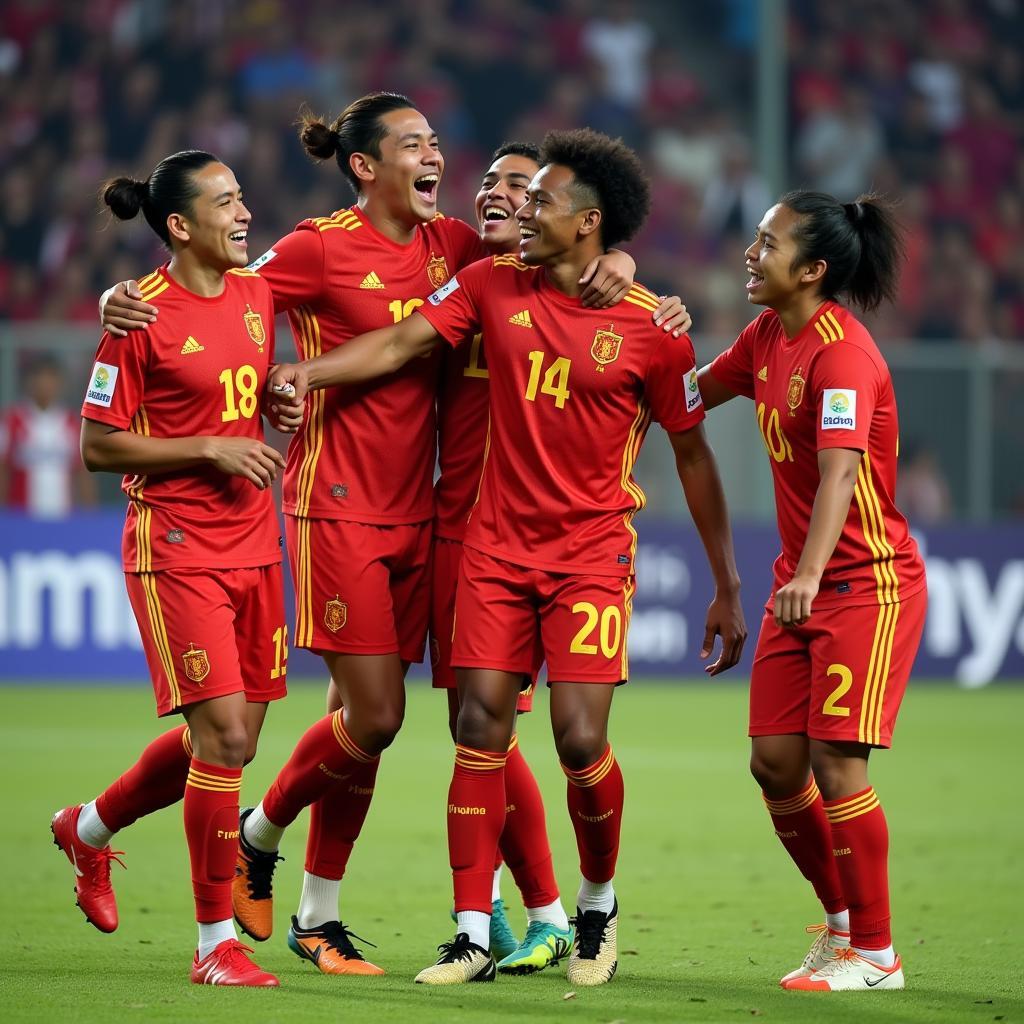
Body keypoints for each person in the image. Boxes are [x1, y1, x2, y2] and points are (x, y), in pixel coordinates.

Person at [97, 93, 689, 976]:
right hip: (338, 503)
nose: (498, 197)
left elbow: (574, 257)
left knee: (466, 726)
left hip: (455, 521)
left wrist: (628, 264)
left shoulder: (465, 252)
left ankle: (388, 907)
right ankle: (282, 851)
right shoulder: (318, 245)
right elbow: (218, 279)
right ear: (368, 166)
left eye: (522, 192)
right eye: (421, 147)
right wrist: (126, 291)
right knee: (376, 717)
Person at [267, 127, 747, 987]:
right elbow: (401, 341)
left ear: (588, 222)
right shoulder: (479, 275)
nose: (515, 204)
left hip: (587, 552)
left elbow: (693, 450)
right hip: (471, 538)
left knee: (572, 739)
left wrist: (728, 581)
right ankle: (467, 928)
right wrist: (309, 373)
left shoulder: (645, 323)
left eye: (535, 195)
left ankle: (586, 907)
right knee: (465, 727)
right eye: (500, 189)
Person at [52, 150, 304, 987]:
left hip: (256, 545)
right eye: (227, 202)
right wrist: (206, 446)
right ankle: (212, 946)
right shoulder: (136, 316)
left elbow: (244, 382)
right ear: (179, 225)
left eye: (243, 195)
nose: (245, 213)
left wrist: (275, 398)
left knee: (230, 741)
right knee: (225, 738)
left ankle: (87, 829)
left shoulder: (258, 292)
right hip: (177, 549)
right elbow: (95, 445)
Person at [697, 191, 928, 992]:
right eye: (755, 239)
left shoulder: (843, 355)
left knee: (838, 768)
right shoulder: (766, 335)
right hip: (800, 586)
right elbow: (689, 393)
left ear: (814, 268)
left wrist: (806, 574)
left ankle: (878, 953)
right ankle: (840, 925)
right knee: (773, 763)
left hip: (864, 583)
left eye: (767, 242)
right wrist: (628, 343)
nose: (751, 254)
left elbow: (841, 473)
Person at [0, 353, 97, 517]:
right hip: (21, 519)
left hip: (63, 519)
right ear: (28, 382)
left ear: (60, 383)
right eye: (39, 377)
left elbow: (83, 474)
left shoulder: (73, 423)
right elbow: (3, 471)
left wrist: (90, 516)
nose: (44, 384)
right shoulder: (11, 421)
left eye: (50, 378)